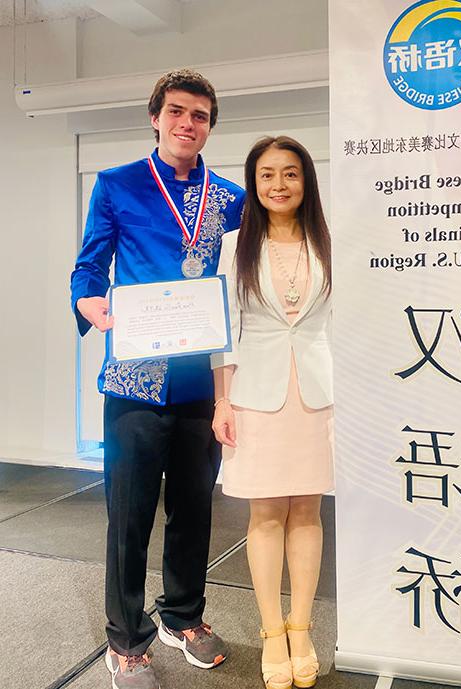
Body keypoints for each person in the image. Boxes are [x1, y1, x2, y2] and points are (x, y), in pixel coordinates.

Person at [70, 69, 245, 689]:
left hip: (202, 382)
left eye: (200, 115)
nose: (187, 123)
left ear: (209, 126)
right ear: (156, 117)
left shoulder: (229, 198)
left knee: (196, 509)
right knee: (131, 513)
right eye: (177, 111)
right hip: (135, 379)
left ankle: (183, 616)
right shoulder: (116, 186)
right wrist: (89, 303)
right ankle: (127, 642)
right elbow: (89, 267)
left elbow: (244, 278)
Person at [211, 136, 333, 689]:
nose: (278, 185)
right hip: (254, 395)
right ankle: (271, 633)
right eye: (266, 175)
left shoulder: (330, 242)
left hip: (318, 394)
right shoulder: (234, 243)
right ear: (253, 183)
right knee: (264, 515)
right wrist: (221, 400)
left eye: (289, 174)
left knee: (307, 511)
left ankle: (302, 627)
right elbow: (224, 332)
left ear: (305, 181)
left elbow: (344, 326)